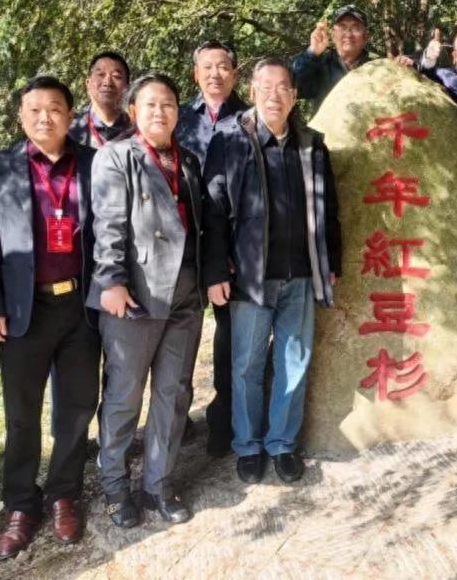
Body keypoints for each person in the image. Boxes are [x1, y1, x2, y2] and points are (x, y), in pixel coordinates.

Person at [202, 57, 342, 485]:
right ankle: (248, 445)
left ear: (294, 96)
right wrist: (215, 271)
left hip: (301, 273)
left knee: (293, 362)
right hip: (250, 277)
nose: (274, 95)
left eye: (283, 87)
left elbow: (329, 209)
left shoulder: (311, 145)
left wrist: (331, 262)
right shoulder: (230, 141)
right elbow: (212, 211)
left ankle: (282, 443)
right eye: (266, 87)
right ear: (252, 92)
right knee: (247, 365)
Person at [0, 76, 99, 559]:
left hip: (80, 306)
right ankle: (21, 503)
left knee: (77, 407)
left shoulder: (94, 162)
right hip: (22, 309)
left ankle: (64, 493)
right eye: (35, 109)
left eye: (55, 108)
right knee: (21, 414)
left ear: (71, 115)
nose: (45, 117)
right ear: (21, 116)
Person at [88, 74, 205, 528]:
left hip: (185, 293)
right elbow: (108, 224)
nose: (160, 112)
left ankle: (158, 483)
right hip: (135, 294)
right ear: (134, 111)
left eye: (169, 104)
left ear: (178, 112)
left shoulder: (188, 159)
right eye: (150, 104)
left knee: (174, 393)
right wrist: (111, 280)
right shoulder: (116, 156)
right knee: (124, 395)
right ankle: (115, 485)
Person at [173, 39, 249, 457]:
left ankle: (225, 419)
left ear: (235, 73)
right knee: (177, 336)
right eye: (207, 67)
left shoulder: (249, 118)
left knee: (229, 335)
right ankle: (175, 420)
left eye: (223, 66)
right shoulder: (179, 118)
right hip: (182, 245)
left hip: (228, 247)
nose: (215, 74)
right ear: (195, 74)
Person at [292, 5, 374, 110]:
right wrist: (312, 52)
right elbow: (294, 88)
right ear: (333, 35)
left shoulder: (378, 67)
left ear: (366, 36)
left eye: (356, 28)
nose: (348, 34)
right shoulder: (320, 66)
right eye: (342, 27)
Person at [68, 50, 133, 148]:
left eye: (116, 76)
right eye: (101, 75)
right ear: (88, 83)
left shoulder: (137, 128)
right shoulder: (70, 128)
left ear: (127, 87)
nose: (108, 82)